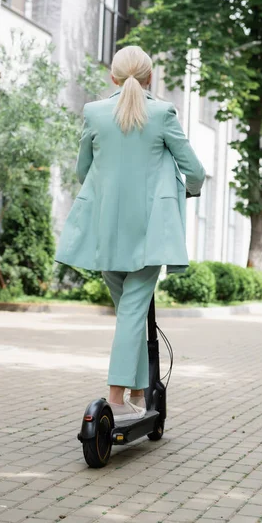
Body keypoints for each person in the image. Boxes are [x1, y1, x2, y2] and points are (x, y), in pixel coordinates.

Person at [56, 46, 205, 422]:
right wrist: (189, 190)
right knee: (132, 313)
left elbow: (82, 169)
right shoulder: (162, 114)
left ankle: (139, 391)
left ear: (113, 77)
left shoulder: (94, 112)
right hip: (150, 235)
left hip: (105, 231)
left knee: (129, 313)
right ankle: (117, 397)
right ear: (150, 77)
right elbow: (195, 169)